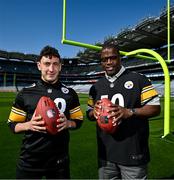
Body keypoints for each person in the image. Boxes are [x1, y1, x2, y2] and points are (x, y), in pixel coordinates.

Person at [7, 45, 83, 179]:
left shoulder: (70, 94)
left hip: (59, 161)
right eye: (47, 64)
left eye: (55, 64)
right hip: (30, 160)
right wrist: (28, 125)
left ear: (60, 66)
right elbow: (12, 125)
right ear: (39, 65)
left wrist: (68, 124)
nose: (51, 69)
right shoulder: (25, 93)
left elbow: (78, 121)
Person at [86, 43, 161, 179]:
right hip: (106, 155)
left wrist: (130, 112)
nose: (108, 62)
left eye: (112, 58)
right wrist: (94, 112)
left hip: (133, 152)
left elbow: (155, 108)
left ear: (120, 58)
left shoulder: (139, 79)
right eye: (104, 59)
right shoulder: (96, 87)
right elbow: (89, 113)